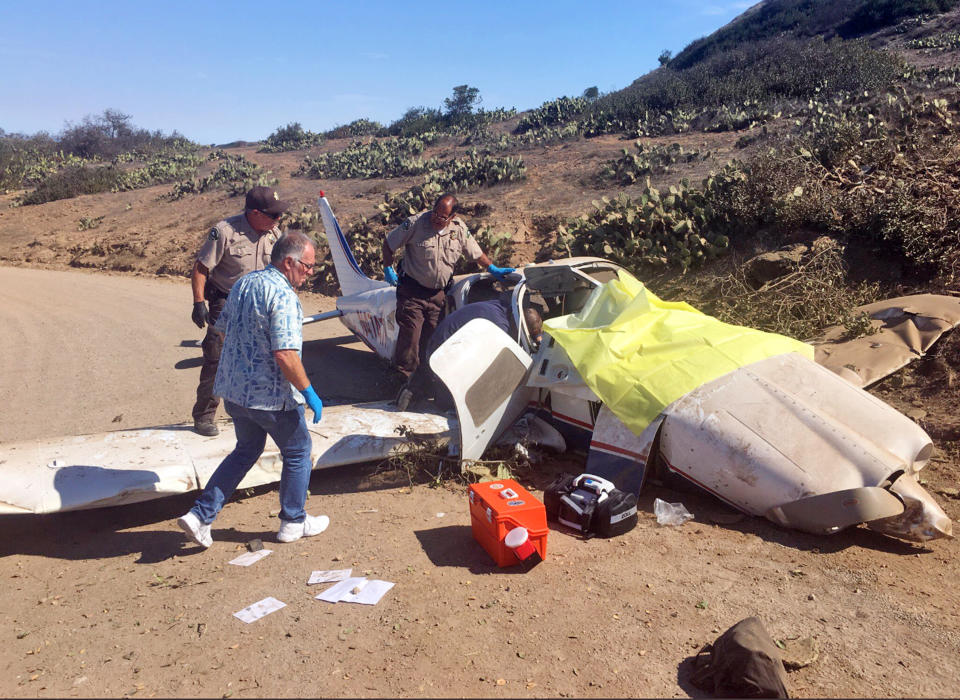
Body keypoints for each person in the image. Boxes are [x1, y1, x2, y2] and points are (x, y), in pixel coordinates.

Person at [177, 231, 327, 548]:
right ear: (290, 262)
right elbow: (285, 354)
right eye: (308, 266)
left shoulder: (245, 283)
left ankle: (200, 516)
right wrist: (309, 391)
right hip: (270, 398)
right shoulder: (284, 297)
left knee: (246, 450)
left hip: (235, 392)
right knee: (298, 451)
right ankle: (293, 521)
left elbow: (220, 328)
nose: (310, 273)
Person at [382, 193, 515, 387]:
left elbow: (475, 253)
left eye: (443, 216)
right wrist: (387, 267)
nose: (437, 218)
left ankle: (428, 381)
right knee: (411, 338)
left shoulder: (458, 229)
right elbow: (388, 244)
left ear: (452, 217)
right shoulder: (415, 224)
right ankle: (403, 382)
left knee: (435, 338)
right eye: (435, 213)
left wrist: (492, 268)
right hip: (412, 292)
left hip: (438, 295)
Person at [190, 186, 289, 436]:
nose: (279, 220)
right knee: (217, 357)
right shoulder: (225, 232)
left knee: (260, 358)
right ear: (255, 213)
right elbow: (201, 268)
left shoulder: (275, 235)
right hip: (227, 301)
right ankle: (204, 415)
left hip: (260, 304)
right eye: (273, 215)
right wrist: (199, 303)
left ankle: (256, 414)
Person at [398, 297, 542, 411]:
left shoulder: (502, 307)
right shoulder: (500, 327)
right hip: (444, 350)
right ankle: (416, 393)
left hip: (443, 339)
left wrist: (536, 337)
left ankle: (413, 387)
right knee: (450, 405)